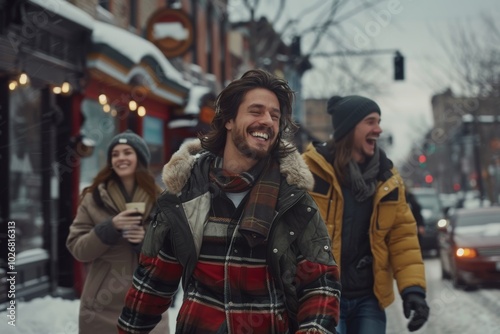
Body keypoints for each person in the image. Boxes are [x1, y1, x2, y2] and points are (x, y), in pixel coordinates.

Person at [117, 69, 341, 333]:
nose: (267, 121)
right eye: (256, 111)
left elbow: (321, 284)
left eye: (275, 115)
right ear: (229, 120)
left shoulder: (295, 201)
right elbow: (152, 283)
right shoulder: (186, 194)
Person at [302, 95, 430, 334]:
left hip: (368, 299)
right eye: (371, 122)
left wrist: (413, 291)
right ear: (350, 128)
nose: (378, 129)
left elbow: (403, 239)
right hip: (321, 296)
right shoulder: (310, 171)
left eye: (379, 121)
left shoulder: (388, 179)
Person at [66, 130, 169, 334]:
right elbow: (78, 248)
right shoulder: (93, 198)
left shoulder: (161, 200)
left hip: (148, 304)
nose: (121, 158)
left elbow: (175, 252)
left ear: (139, 157)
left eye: (127, 152)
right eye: (115, 154)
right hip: (100, 307)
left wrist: (145, 242)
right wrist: (109, 228)